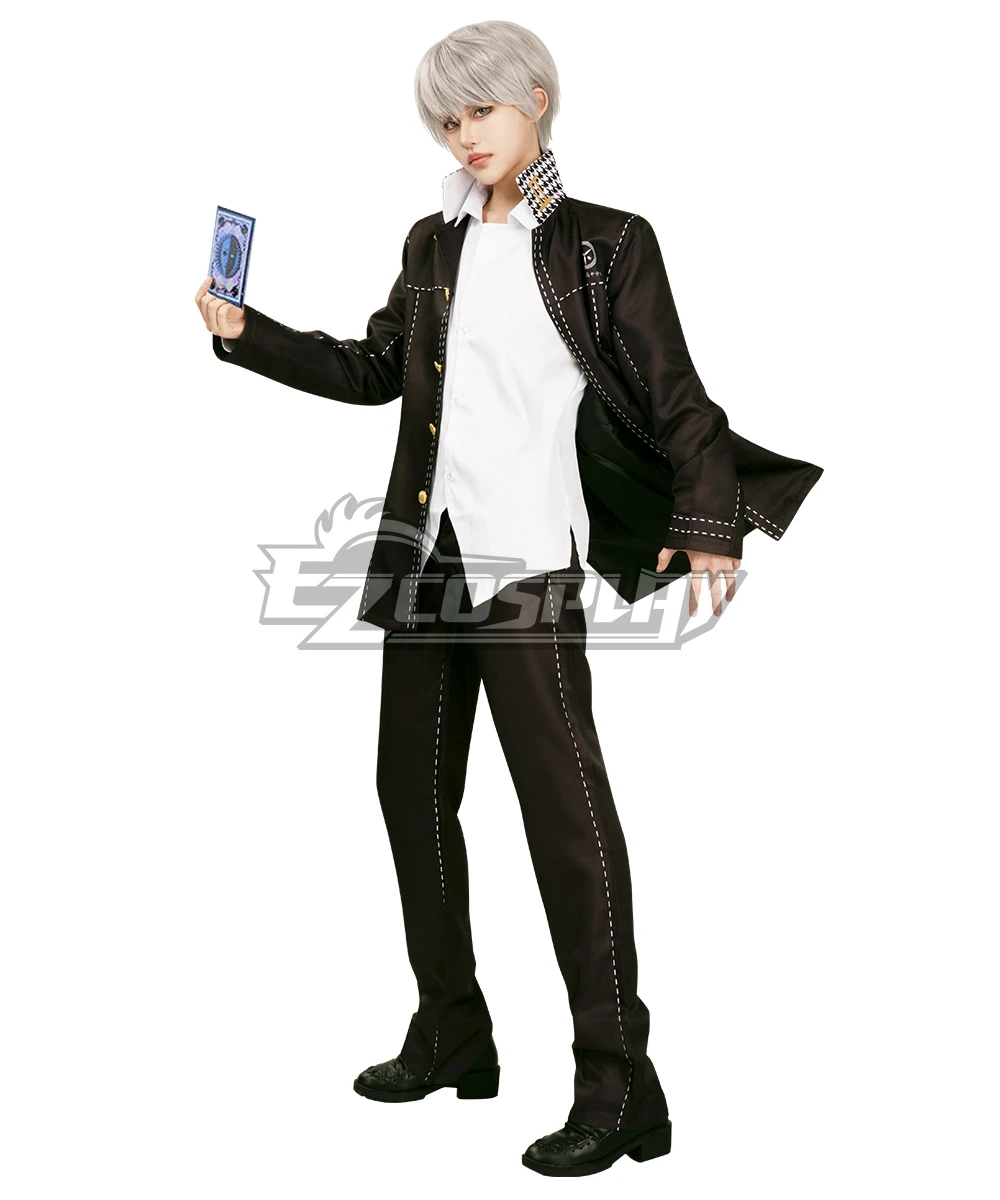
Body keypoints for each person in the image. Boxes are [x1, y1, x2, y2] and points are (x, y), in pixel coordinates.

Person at [196, 19, 821, 1179]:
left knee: (565, 821)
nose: (462, 133)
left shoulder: (606, 242)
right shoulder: (430, 243)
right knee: (409, 794)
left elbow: (677, 399)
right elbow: (376, 368)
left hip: (528, 560)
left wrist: (705, 526)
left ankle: (620, 1084)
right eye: (446, 117)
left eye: (479, 108)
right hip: (425, 558)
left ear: (534, 100)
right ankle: (451, 1031)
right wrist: (249, 336)